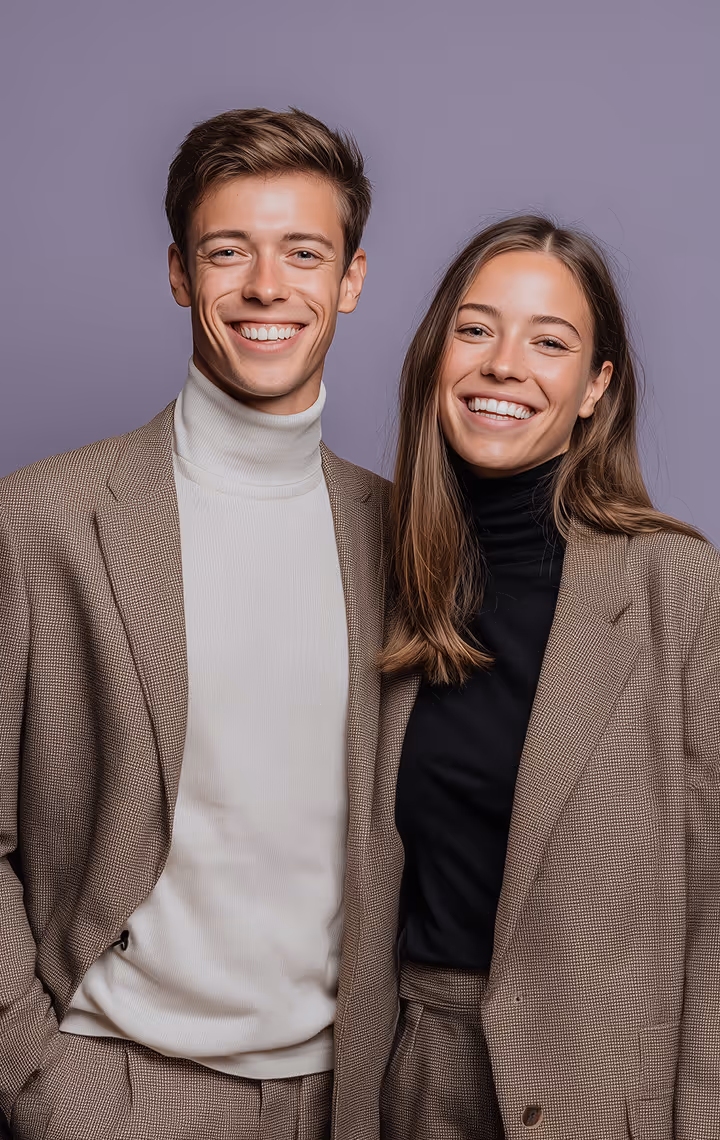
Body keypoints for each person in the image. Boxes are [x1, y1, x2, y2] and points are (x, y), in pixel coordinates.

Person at [0, 107, 389, 1140]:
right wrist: (38, 1082)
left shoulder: (405, 536)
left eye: (304, 252)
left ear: (350, 280)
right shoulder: (43, 520)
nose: (267, 287)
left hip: (347, 1103)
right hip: (114, 1094)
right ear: (180, 272)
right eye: (230, 252)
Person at [344, 215, 720, 1139]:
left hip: (607, 1087)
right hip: (417, 1075)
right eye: (476, 329)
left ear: (597, 388)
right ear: (437, 355)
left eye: (549, 342)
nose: (504, 364)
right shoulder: (369, 565)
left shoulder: (676, 585)